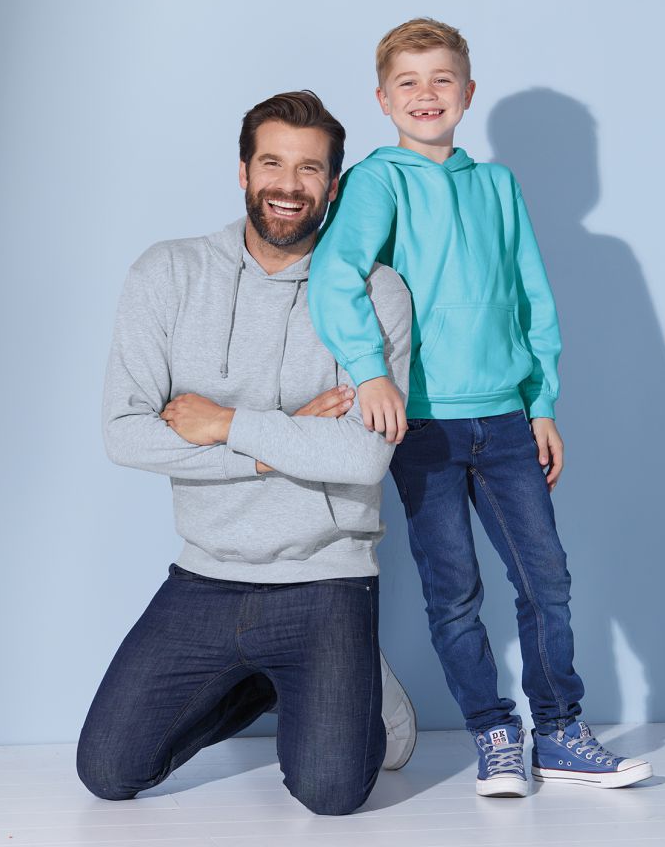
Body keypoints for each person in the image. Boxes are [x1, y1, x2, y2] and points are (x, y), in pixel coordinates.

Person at [307, 18, 653, 796]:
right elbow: (335, 278)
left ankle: (558, 732)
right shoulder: (377, 181)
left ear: (468, 92)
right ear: (383, 99)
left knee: (546, 580)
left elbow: (532, 297)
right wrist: (370, 373)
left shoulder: (498, 186)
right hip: (421, 425)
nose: (426, 94)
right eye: (408, 82)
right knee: (454, 591)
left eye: (442, 79)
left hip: (505, 421)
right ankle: (495, 733)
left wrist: (542, 404)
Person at [77, 91, 416, 817]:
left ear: (333, 184)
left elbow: (363, 458)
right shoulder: (168, 274)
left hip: (327, 577)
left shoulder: (376, 291)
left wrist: (225, 423)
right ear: (242, 171)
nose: (288, 186)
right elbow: (125, 433)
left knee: (330, 794)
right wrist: (276, 445)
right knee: (107, 770)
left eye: (309, 169)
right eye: (271, 164)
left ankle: (357, 682)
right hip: (205, 575)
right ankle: (270, 680)